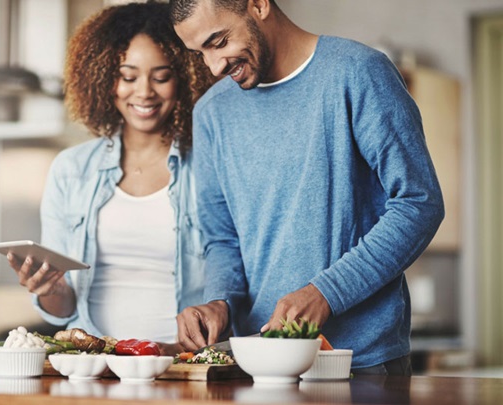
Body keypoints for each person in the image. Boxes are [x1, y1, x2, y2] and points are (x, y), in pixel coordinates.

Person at [169, 0, 444, 375]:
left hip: (360, 363)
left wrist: (327, 293)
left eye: (219, 42)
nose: (214, 66)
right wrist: (220, 301)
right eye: (200, 52)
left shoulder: (358, 73)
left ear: (259, 5)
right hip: (259, 362)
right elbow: (222, 239)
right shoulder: (211, 113)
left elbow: (418, 202)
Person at [7, 1, 213, 355]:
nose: (144, 91)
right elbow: (63, 311)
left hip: (180, 363)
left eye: (161, 76)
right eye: (128, 77)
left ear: (184, 78)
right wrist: (50, 289)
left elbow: (231, 279)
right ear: (104, 79)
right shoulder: (71, 170)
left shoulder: (209, 167)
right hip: (92, 366)